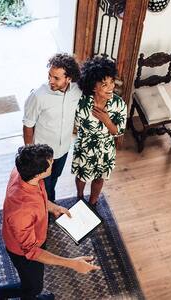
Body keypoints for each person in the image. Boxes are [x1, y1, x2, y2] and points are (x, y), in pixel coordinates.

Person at [0, 144, 100, 300]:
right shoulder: (22, 212)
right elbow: (32, 252)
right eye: (50, 162)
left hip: (34, 235)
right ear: (38, 173)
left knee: (34, 281)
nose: (53, 162)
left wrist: (53, 207)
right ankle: (0, 293)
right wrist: (73, 263)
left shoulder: (23, 172)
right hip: (22, 251)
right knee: (34, 287)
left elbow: (37, 196)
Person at [23, 53, 82, 203]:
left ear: (69, 79)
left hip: (63, 150)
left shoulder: (77, 90)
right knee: (45, 185)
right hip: (43, 154)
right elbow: (28, 125)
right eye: (50, 76)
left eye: (56, 78)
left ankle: (47, 205)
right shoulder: (38, 95)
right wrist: (29, 153)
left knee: (54, 179)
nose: (51, 80)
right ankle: (48, 211)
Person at [71, 57, 127, 207]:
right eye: (104, 84)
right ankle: (80, 197)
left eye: (112, 82)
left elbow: (119, 132)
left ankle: (93, 202)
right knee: (81, 176)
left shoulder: (119, 104)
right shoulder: (81, 102)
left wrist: (107, 120)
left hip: (105, 148)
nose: (111, 87)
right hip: (84, 146)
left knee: (99, 178)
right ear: (93, 86)